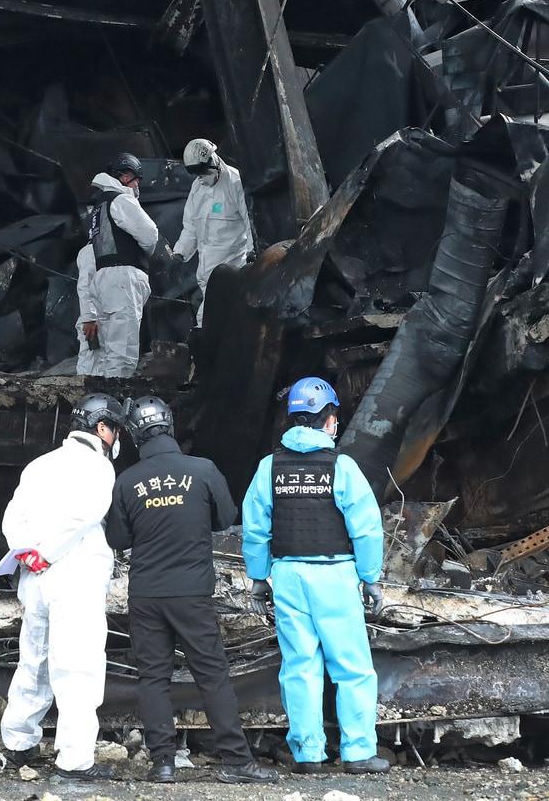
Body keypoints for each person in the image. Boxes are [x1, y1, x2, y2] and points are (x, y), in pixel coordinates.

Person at [105, 396, 279, 785]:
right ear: (170, 424)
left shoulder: (126, 481)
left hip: (146, 593)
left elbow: (117, 537)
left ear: (134, 434)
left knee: (153, 678)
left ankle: (162, 763)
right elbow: (226, 518)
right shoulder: (202, 470)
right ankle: (235, 761)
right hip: (192, 592)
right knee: (212, 674)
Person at [241, 376, 389, 774]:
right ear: (328, 420)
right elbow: (367, 527)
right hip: (336, 576)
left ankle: (309, 755)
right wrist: (370, 577)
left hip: (288, 576)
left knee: (300, 666)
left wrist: (258, 577)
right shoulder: (342, 467)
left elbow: (255, 529)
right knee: (352, 667)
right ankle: (358, 753)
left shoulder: (269, 467)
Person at [0, 393, 125, 780]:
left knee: (33, 657)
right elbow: (85, 515)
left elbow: (12, 517)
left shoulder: (41, 464)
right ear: (102, 428)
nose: (117, 438)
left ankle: (18, 742)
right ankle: (74, 760)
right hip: (74, 575)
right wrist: (49, 552)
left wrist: (27, 553)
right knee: (78, 665)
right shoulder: (98, 467)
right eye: (116, 429)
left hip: (35, 577)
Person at [80, 153, 160, 377]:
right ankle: (115, 403)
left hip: (103, 280)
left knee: (105, 351)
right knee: (122, 351)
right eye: (136, 180)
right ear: (125, 177)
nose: (137, 186)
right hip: (124, 278)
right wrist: (146, 252)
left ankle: (100, 402)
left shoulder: (98, 208)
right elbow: (150, 234)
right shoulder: (121, 199)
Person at [174, 139, 256, 324]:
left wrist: (253, 251)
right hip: (206, 273)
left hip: (231, 269)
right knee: (217, 323)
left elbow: (249, 220)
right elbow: (190, 227)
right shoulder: (197, 187)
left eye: (203, 172)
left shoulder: (235, 182)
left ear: (212, 160)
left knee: (210, 321)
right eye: (197, 174)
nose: (201, 177)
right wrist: (180, 252)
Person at [75, 243, 101, 376]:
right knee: (90, 363)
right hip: (94, 321)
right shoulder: (91, 250)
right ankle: (87, 394)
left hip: (106, 317)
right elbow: (85, 284)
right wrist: (89, 317)